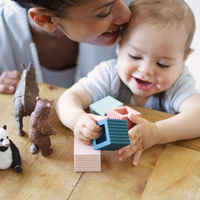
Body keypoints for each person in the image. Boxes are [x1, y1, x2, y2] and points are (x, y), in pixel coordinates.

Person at [56, 0, 200, 166]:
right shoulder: (109, 74)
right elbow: (68, 98)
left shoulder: (178, 83)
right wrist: (76, 119)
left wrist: (156, 133)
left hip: (162, 166)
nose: (146, 70)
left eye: (162, 64)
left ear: (184, 60)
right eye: (135, 56)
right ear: (120, 45)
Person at [0, 0, 131, 93]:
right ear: (45, 18)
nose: (127, 15)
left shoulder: (142, 13)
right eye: (105, 13)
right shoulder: (4, 33)